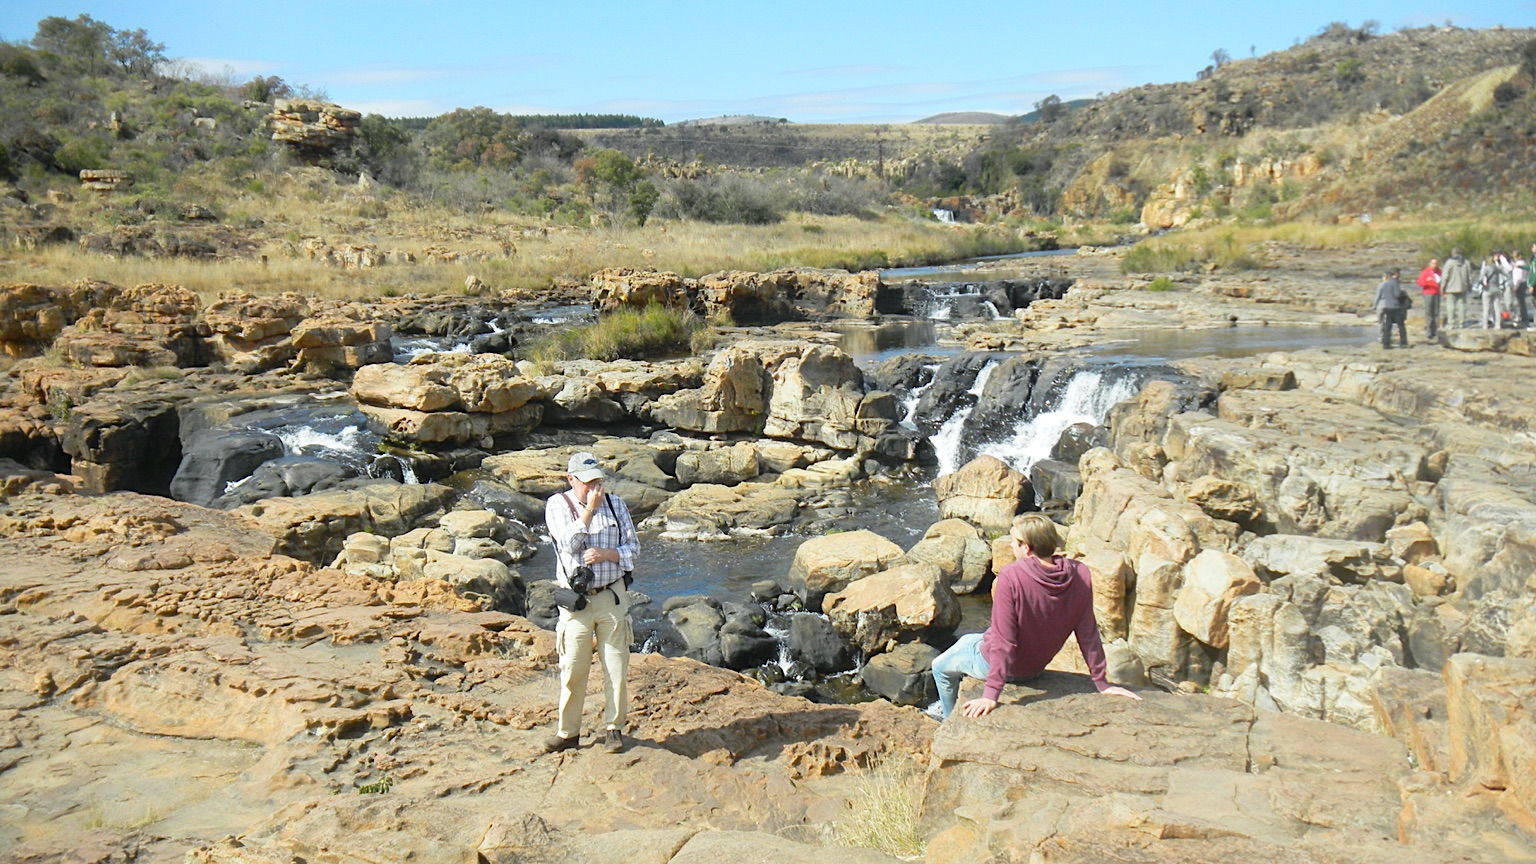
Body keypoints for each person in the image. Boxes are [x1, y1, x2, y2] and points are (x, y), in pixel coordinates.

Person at [931, 514, 1142, 720]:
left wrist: (990, 695)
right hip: (1034, 666)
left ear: (1026, 547)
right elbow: (1088, 633)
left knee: (939, 667)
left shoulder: (1011, 576)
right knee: (968, 639)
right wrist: (1101, 682)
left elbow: (1005, 641)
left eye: (1013, 542)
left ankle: (948, 720)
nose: (1011, 547)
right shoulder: (1080, 573)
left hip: (1005, 666)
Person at [543, 451, 639, 754]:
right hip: (576, 603)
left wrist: (607, 554)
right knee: (572, 669)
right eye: (587, 482)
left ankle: (614, 729)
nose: (594, 487)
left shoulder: (617, 504)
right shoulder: (558, 504)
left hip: (611, 596)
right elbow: (567, 545)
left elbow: (633, 550)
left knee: (616, 667)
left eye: (598, 480)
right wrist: (588, 513)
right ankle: (568, 733)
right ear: (571, 479)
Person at [1373, 267, 1410, 349]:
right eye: (1399, 273)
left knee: (1388, 326)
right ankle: (1403, 342)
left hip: (1388, 306)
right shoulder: (1395, 283)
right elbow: (1397, 294)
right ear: (1396, 274)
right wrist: (1403, 294)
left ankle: (1386, 343)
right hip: (1396, 306)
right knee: (1401, 326)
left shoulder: (1385, 283)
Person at [1441, 248, 1473, 330]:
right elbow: (1470, 276)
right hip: (1463, 287)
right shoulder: (1466, 262)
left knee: (1450, 306)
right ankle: (1461, 323)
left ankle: (1451, 323)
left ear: (1453, 253)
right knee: (1462, 305)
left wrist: (1442, 288)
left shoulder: (1449, 263)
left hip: (1451, 288)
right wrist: (1470, 287)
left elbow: (1445, 277)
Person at [1479, 253, 1509, 329]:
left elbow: (1480, 279)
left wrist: (1483, 284)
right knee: (1497, 307)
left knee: (1486, 308)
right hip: (1496, 288)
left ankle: (1485, 325)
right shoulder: (1497, 268)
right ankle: (1497, 325)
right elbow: (1507, 275)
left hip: (1487, 289)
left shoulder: (1486, 268)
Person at [1416, 258, 1442, 340]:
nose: (1435, 265)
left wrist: (1444, 292)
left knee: (1436, 313)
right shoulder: (1426, 272)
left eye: (1436, 263)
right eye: (1433, 263)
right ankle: (1429, 331)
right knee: (1429, 312)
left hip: (1437, 293)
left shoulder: (1439, 271)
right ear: (1430, 264)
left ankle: (1436, 331)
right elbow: (1420, 283)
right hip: (1428, 294)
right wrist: (1427, 281)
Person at [1514, 249, 1531, 329]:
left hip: (1520, 284)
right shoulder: (1523, 263)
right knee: (1521, 302)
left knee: (1521, 303)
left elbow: (1519, 277)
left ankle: (1524, 319)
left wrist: (1515, 287)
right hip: (1522, 283)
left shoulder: (1520, 264)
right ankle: (1523, 318)